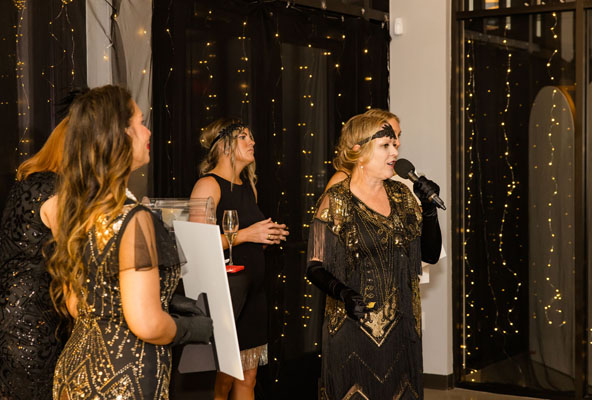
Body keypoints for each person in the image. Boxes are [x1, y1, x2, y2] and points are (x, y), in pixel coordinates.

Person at [48, 85, 213, 400]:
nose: (147, 131)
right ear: (119, 136)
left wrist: (161, 300)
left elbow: (76, 304)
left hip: (75, 372)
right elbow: (147, 324)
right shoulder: (133, 218)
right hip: (125, 376)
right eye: (139, 122)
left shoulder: (79, 210)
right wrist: (192, 329)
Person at [307, 114, 442, 399]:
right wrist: (343, 293)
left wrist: (429, 210)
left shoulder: (401, 195)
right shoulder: (336, 200)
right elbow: (315, 266)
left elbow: (429, 254)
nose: (395, 152)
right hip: (352, 327)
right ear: (358, 150)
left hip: (402, 329)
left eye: (395, 145)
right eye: (385, 146)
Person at [190, 118, 289, 400]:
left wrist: (266, 237)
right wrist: (247, 234)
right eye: (243, 137)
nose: (252, 142)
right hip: (225, 296)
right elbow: (197, 244)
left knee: (249, 377)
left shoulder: (249, 187)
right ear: (224, 145)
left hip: (253, 295)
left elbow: (245, 241)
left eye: (251, 137)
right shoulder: (208, 185)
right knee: (221, 382)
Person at [0, 118, 70, 400]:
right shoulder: (58, 190)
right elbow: (74, 258)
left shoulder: (27, 182)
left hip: (10, 309)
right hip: (34, 320)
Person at [325, 108, 402, 190]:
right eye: (389, 135)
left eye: (398, 135)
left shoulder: (396, 181)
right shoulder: (341, 182)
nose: (398, 143)